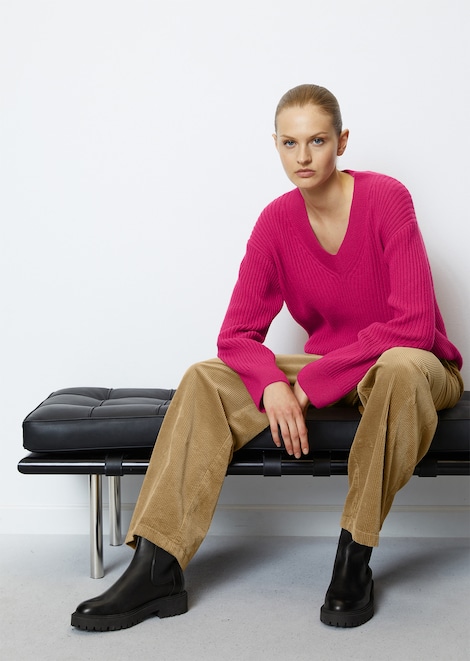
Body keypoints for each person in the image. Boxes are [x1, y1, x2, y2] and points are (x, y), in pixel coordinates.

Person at [71, 84, 464, 631]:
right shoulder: (275, 223)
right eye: (290, 143)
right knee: (206, 378)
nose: (303, 156)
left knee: (398, 367)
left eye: (318, 141)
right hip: (337, 368)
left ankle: (354, 556)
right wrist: (274, 384)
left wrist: (316, 379)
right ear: (275, 145)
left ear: (342, 142)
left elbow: (414, 324)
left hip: (416, 364)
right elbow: (235, 336)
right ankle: (157, 565)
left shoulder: (386, 198)